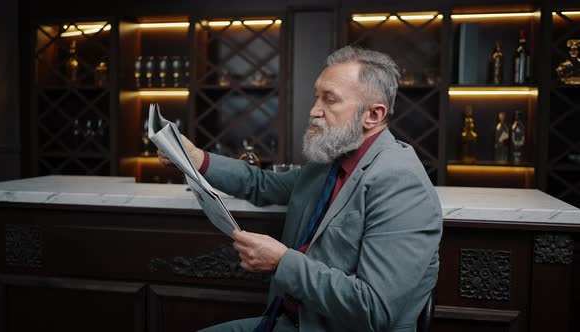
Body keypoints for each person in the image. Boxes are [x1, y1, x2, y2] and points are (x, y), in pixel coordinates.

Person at [158, 45, 443, 332]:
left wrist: (282, 262)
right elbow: (263, 185)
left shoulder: (402, 183)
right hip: (287, 322)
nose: (313, 111)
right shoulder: (331, 160)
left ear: (373, 115)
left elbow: (374, 310)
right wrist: (196, 158)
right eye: (316, 96)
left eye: (329, 100)